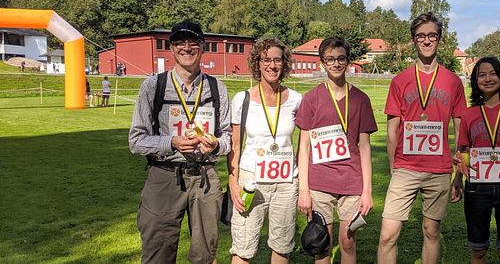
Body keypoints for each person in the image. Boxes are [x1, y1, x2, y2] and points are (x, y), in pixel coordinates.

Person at [128, 20, 231, 264]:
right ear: (172, 48)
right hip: (164, 176)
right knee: (158, 254)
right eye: (180, 43)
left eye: (193, 42)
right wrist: (171, 143)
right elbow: (136, 140)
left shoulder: (217, 88)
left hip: (205, 176)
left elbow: (228, 136)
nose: (187, 47)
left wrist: (216, 145)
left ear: (202, 46)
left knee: (205, 255)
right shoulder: (153, 86)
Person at [378, 12, 468, 264]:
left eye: (432, 35)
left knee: (431, 231)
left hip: (439, 170)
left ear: (439, 39)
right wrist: (393, 168)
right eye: (421, 36)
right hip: (405, 168)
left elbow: (460, 129)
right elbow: (392, 130)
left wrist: (458, 173)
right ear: (413, 40)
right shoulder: (400, 80)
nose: (427, 41)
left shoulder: (453, 81)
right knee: (387, 235)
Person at [296, 37, 377, 263]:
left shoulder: (361, 99)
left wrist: (367, 191)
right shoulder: (311, 98)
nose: (336, 64)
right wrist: (304, 190)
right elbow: (303, 147)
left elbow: (365, 148)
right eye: (330, 59)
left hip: (352, 182)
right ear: (322, 62)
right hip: (320, 182)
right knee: (321, 243)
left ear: (348, 61)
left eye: (341, 58)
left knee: (348, 241)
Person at [227, 37, 302, 264]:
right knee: (243, 247)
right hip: (251, 181)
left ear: (285, 63)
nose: (272, 65)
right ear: (257, 64)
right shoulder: (243, 99)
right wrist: (233, 183)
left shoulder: (296, 100)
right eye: (266, 60)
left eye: (277, 60)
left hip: (287, 183)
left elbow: (305, 143)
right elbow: (235, 146)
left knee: (282, 245)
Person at [451, 57, 500, 264]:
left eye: (493, 73)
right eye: (481, 75)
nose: (487, 78)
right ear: (475, 81)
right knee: (478, 251)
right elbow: (464, 150)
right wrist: (457, 178)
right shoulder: (468, 115)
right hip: (477, 187)